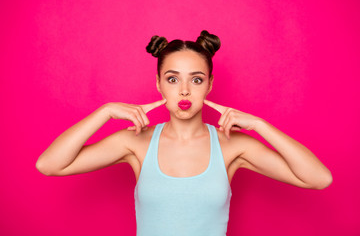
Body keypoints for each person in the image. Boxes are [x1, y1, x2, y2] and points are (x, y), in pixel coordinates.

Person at [36, 30, 333, 236]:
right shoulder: (136, 142)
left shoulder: (232, 146)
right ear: (158, 84)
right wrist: (104, 112)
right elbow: (49, 164)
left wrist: (262, 126)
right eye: (173, 78)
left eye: (197, 79)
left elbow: (319, 178)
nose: (185, 90)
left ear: (210, 85)